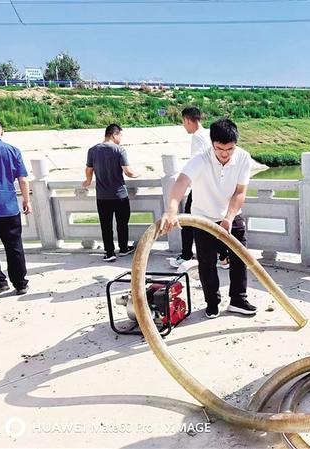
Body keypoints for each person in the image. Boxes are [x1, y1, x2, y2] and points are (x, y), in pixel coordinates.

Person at [160, 118, 256, 318]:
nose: (225, 154)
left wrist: (229, 218)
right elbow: (181, 182)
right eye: (220, 149)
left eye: (229, 149)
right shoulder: (201, 159)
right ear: (212, 143)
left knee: (240, 258)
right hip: (202, 217)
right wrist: (171, 210)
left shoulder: (243, 158)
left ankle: (238, 300)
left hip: (231, 215)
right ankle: (212, 303)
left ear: (235, 144)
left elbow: (240, 192)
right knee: (207, 263)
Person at [174, 106, 230, 270]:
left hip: (202, 186)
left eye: (183, 122)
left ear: (187, 120)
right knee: (214, 221)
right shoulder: (208, 133)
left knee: (187, 220)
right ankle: (224, 257)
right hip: (216, 186)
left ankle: (186, 255)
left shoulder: (197, 137)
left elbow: (197, 163)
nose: (184, 126)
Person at [0, 118, 30, 296]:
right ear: (1, 132)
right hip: (9, 208)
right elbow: (23, 180)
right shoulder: (12, 150)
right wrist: (26, 200)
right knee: (14, 247)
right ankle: (20, 284)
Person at [83, 124, 140, 262]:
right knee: (122, 224)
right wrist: (138, 174)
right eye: (120, 135)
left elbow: (89, 169)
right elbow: (128, 172)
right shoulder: (119, 150)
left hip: (102, 197)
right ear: (114, 134)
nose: (121, 138)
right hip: (120, 195)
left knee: (106, 226)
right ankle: (124, 249)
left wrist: (88, 181)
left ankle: (109, 253)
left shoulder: (92, 150)